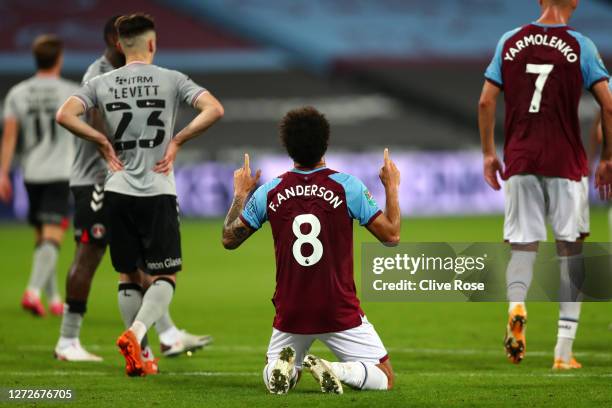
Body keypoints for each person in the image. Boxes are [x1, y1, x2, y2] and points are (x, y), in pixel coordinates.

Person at [56, 13, 224, 376]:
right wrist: (178, 140)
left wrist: (101, 140)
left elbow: (65, 114)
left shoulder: (100, 81)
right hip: (157, 187)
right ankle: (136, 334)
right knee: (166, 275)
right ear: (151, 43)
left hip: (116, 188)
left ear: (121, 43)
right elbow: (214, 109)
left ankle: (142, 357)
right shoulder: (171, 78)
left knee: (128, 275)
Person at [222, 107, 400, 394]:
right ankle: (339, 369)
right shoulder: (347, 187)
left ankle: (281, 371)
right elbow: (392, 235)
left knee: (278, 371)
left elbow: (229, 238)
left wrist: (241, 194)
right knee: (385, 376)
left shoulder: (271, 190)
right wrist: (391, 186)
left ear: (288, 147)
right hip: (337, 308)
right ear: (325, 143)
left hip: (291, 310)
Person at [478, 0, 612, 369]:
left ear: (539, 1)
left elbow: (486, 101)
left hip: (521, 159)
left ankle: (517, 306)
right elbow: (609, 104)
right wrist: (609, 159)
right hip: (566, 161)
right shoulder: (581, 45)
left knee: (523, 247)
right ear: (575, 2)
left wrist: (490, 153)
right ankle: (563, 352)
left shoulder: (509, 40)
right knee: (571, 253)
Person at [0, 34, 77, 317]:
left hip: (31, 173)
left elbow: (9, 137)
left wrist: (2, 173)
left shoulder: (18, 93)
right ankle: (32, 292)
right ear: (59, 58)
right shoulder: (71, 92)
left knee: (43, 238)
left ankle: (54, 297)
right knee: (53, 237)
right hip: (60, 172)